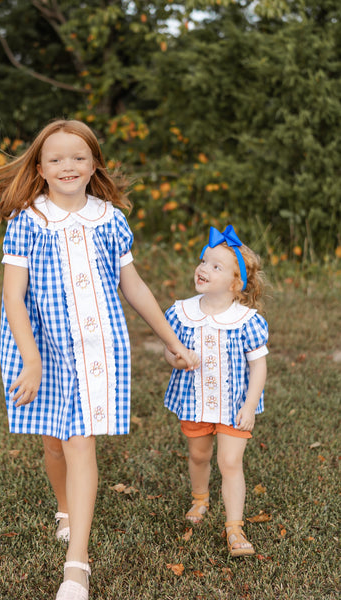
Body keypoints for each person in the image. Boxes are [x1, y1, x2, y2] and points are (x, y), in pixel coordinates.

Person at [0, 119, 198, 599]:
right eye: (55, 159)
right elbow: (13, 297)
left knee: (81, 442)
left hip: (97, 348)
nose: (67, 165)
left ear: (94, 164)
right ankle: (64, 507)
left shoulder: (110, 219)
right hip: (41, 347)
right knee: (53, 443)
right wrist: (31, 359)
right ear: (41, 169)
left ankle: (77, 566)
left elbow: (132, 285)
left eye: (78, 157)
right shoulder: (27, 220)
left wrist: (172, 339)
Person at [164, 225, 268, 558]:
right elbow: (169, 350)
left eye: (215, 266)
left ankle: (235, 528)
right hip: (194, 402)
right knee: (199, 455)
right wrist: (177, 359)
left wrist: (250, 406)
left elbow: (259, 367)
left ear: (236, 284)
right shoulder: (183, 313)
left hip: (234, 405)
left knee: (230, 461)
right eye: (203, 262)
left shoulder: (246, 320)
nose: (203, 269)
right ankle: (200, 498)